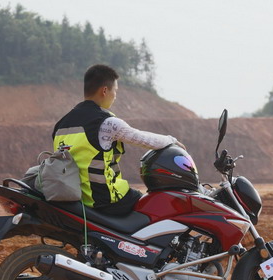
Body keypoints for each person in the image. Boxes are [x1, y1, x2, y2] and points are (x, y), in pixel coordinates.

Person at [52, 64, 182, 216]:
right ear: (105, 91)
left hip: (75, 198)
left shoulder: (61, 124)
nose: (115, 96)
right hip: (105, 200)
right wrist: (172, 140)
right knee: (150, 207)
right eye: (115, 90)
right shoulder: (106, 123)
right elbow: (144, 139)